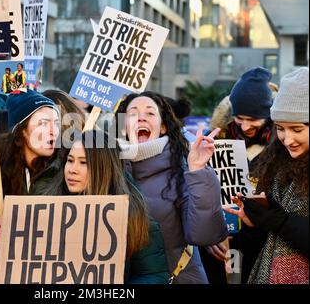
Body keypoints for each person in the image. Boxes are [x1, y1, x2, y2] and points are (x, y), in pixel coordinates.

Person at [115, 91, 228, 284]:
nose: (141, 117)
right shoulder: (108, 170)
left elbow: (205, 235)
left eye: (150, 113)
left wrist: (199, 172)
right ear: (123, 127)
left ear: (163, 127)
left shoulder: (182, 171)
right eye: (133, 113)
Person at [43, 129, 170, 283]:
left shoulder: (133, 216)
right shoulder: (46, 207)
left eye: (83, 163)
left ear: (104, 168)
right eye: (70, 160)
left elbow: (153, 276)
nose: (72, 170)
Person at [225, 67, 309, 284]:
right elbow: (257, 249)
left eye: (297, 129)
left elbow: (281, 225)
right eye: (280, 128)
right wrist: (254, 224)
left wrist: (281, 221)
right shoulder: (272, 163)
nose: (287, 139)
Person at [206, 67, 276, 283]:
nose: (245, 126)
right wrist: (207, 235)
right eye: (239, 118)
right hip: (223, 238)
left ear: (268, 115)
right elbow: (202, 193)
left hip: (264, 240)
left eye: (253, 119)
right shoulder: (217, 140)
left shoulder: (282, 143)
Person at [0, 91, 60, 249]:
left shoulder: (65, 174)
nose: (53, 131)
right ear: (22, 130)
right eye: (43, 123)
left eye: (56, 123)